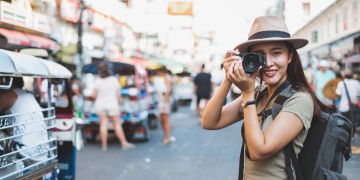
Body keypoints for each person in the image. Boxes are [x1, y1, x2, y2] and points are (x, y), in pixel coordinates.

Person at [201, 16, 333, 179]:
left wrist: (247, 95)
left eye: (276, 53)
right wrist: (228, 78)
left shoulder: (300, 99)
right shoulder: (259, 93)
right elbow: (209, 122)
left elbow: (259, 151)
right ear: (251, 60)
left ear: (289, 56)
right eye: (260, 55)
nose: (269, 62)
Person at [91, 62, 135, 151]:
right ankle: (124, 143)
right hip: (112, 104)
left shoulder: (98, 81)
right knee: (117, 124)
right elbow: (118, 96)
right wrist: (119, 105)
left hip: (100, 105)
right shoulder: (114, 80)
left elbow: (93, 96)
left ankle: (104, 145)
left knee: (103, 124)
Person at [154, 66, 174, 144]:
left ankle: (167, 138)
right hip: (159, 100)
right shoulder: (157, 78)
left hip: (163, 100)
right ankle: (166, 137)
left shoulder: (167, 77)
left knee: (165, 119)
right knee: (162, 120)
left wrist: (165, 101)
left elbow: (168, 90)